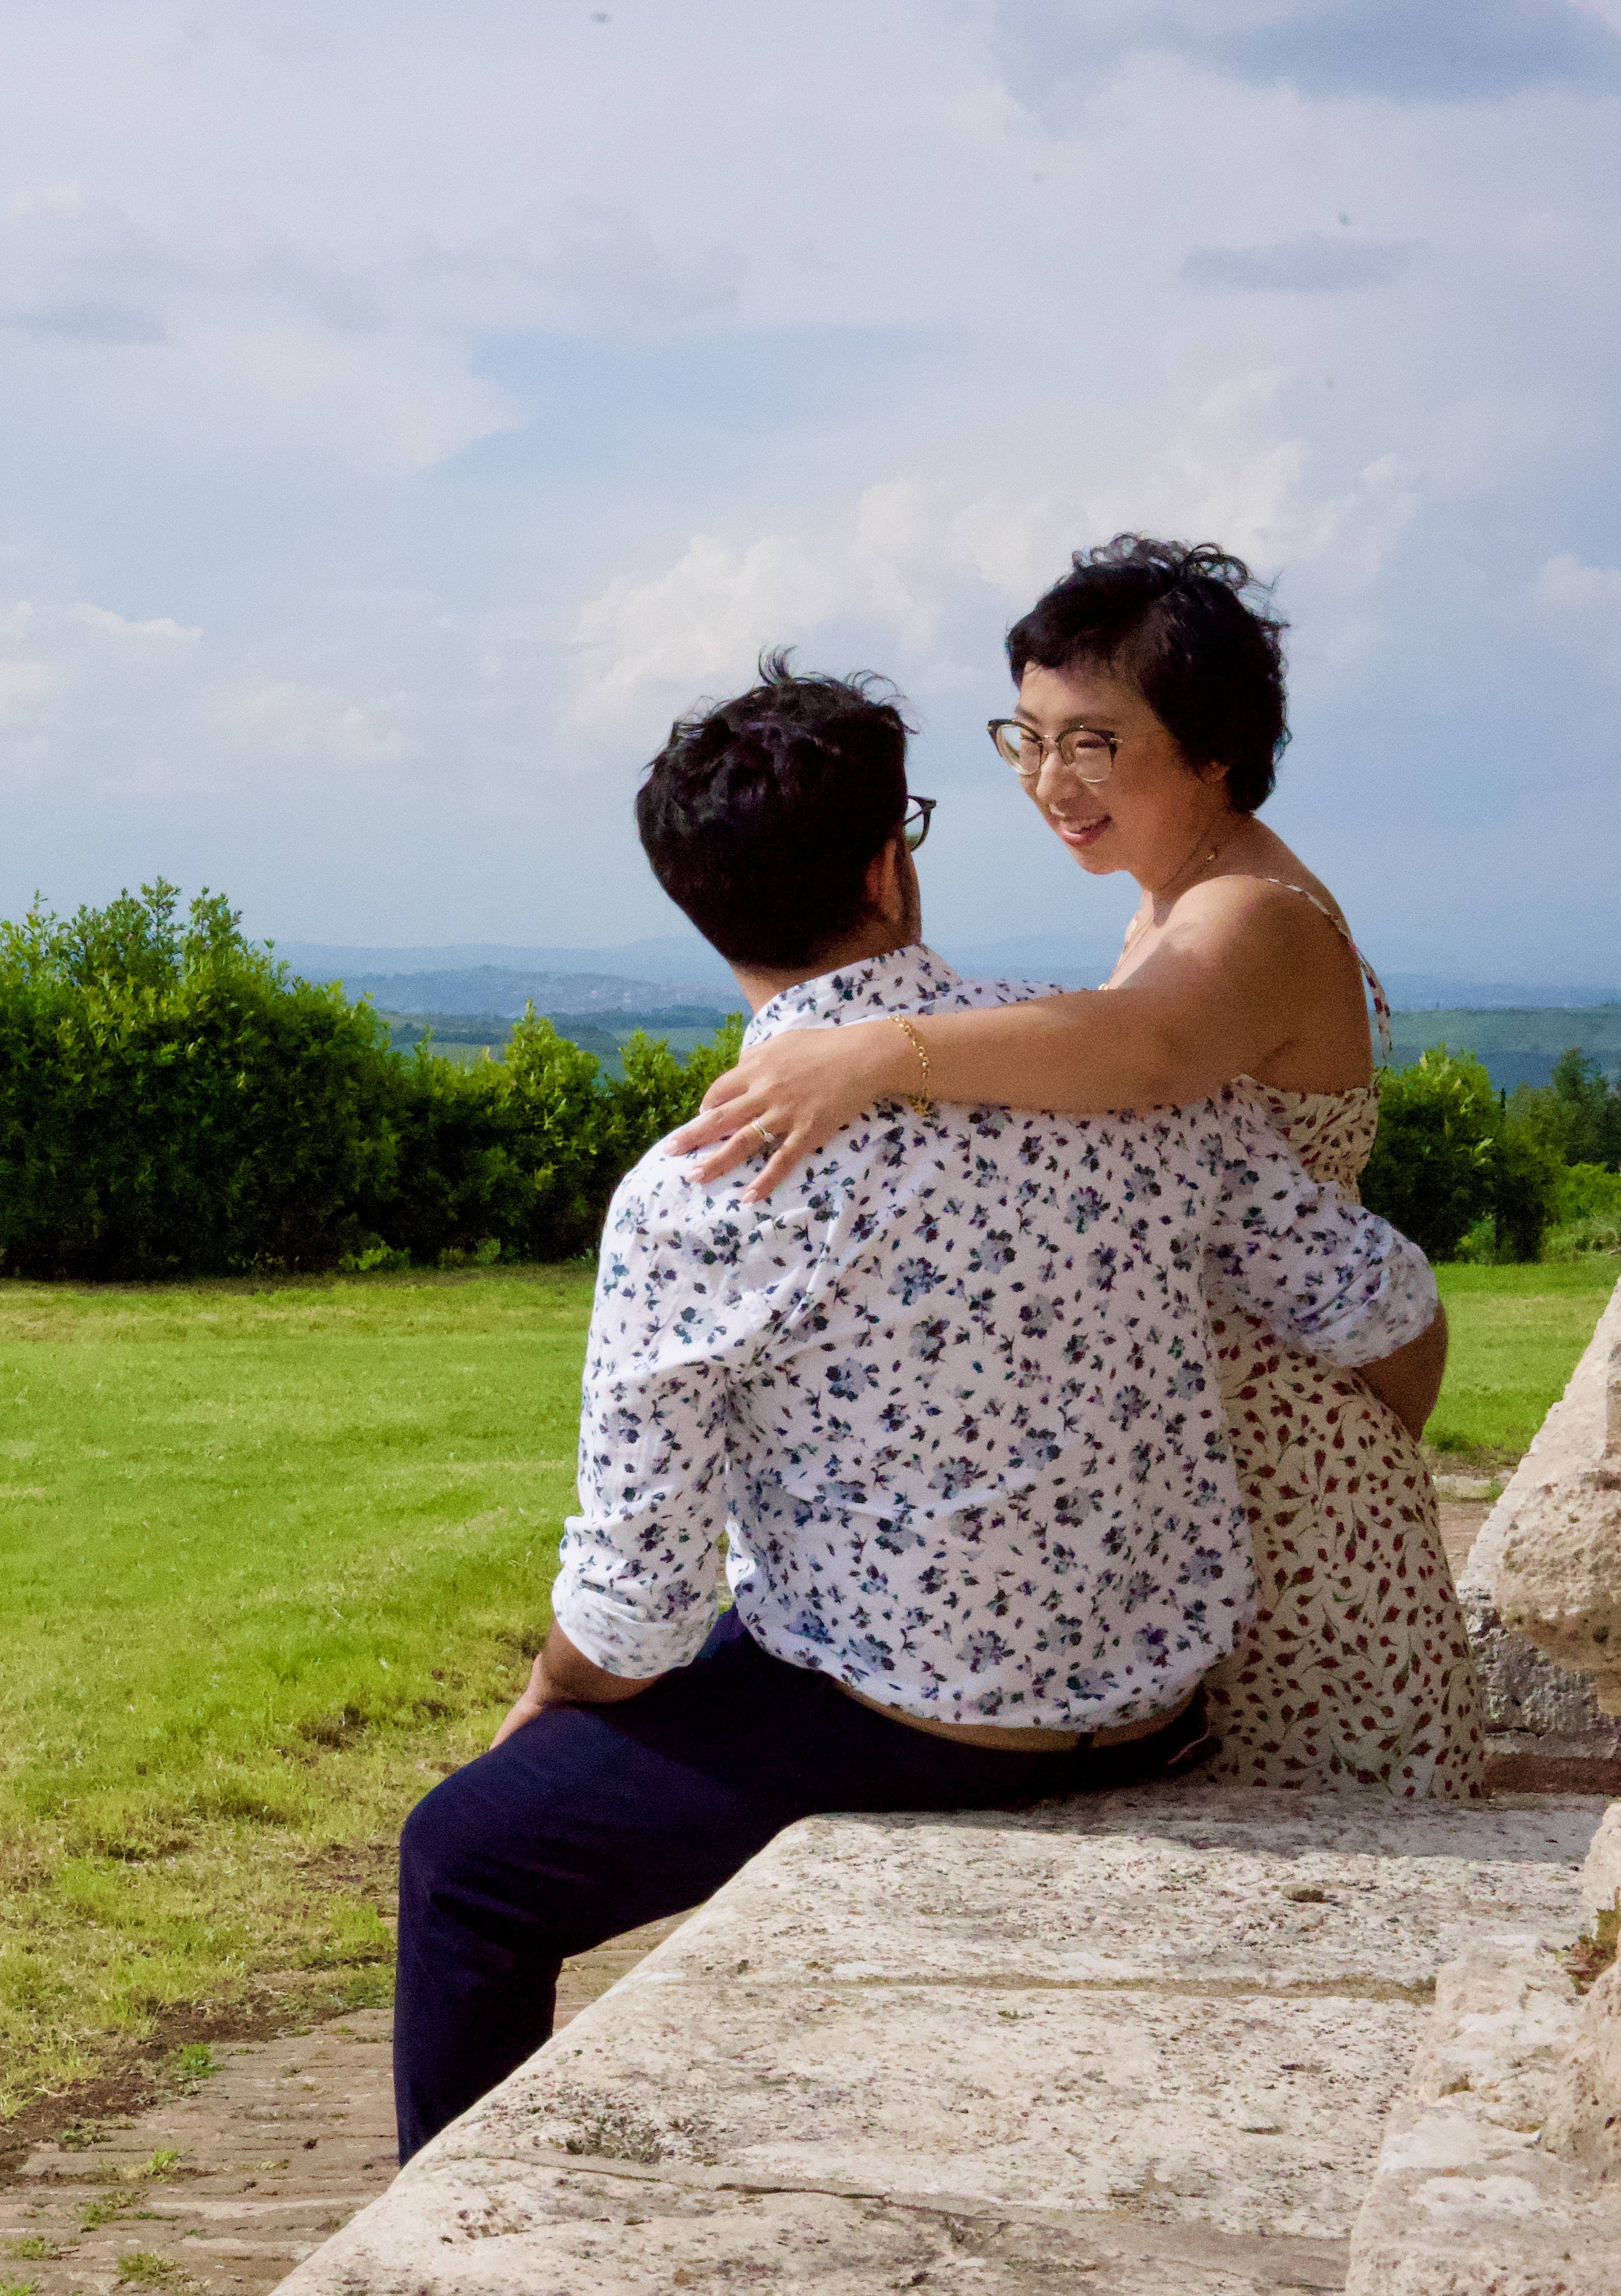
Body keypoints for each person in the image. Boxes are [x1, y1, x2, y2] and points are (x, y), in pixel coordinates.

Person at [391, 658, 1447, 2160]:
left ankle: (445, 2253)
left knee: (465, 1857)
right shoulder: (1109, 1059)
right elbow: (1376, 1303)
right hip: (1157, 1703)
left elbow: (633, 1619)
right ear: (893, 862)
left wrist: (548, 1699)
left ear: (702, 907)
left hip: (920, 1728)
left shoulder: (694, 1195)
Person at [665, 538, 1483, 1798]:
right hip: (1205, 1486)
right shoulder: (1172, 896)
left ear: (1213, 748)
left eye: (1094, 740)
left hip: (1296, 1494)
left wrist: (879, 1049)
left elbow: (1146, 1052)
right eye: (1029, 736)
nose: (1051, 779)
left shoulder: (1249, 914)